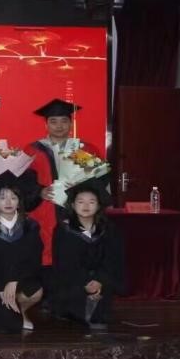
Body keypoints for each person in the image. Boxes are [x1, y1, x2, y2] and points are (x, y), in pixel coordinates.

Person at [23, 99, 107, 271]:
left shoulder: (83, 149)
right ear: (46, 124)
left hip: (78, 212)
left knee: (77, 260)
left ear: (71, 123)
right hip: (45, 212)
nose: (59, 126)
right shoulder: (32, 151)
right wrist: (39, 192)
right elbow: (23, 184)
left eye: (64, 121)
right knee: (46, 260)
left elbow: (100, 182)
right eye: (53, 121)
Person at [0, 172, 44, 334]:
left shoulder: (30, 226)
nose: (8, 202)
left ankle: (21, 311)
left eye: (13, 197)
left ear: (19, 202)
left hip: (21, 277)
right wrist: (1, 287)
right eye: (2, 198)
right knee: (9, 326)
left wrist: (14, 280)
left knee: (36, 290)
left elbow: (34, 258)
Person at [52, 181, 125, 331]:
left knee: (99, 316)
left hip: (100, 280)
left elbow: (113, 259)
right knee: (76, 310)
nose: (86, 206)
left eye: (91, 202)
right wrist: (85, 282)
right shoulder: (64, 229)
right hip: (74, 280)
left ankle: (95, 305)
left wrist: (99, 280)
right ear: (73, 205)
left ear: (98, 206)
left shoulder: (108, 229)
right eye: (80, 202)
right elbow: (64, 262)